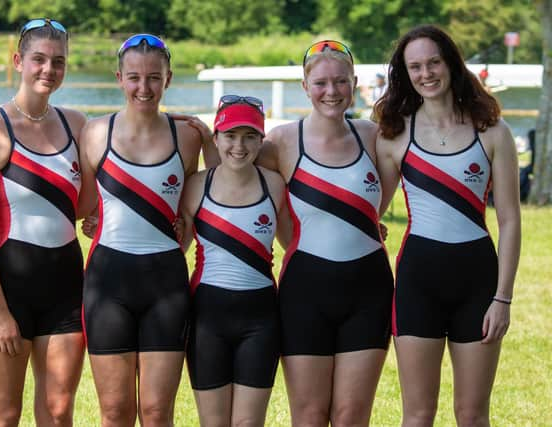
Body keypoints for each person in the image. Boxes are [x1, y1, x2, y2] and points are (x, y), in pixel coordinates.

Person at [374, 24, 521, 427]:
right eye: (415, 66)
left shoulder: (492, 132)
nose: (426, 74)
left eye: (433, 62)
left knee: (472, 415)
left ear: (451, 64)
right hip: (417, 281)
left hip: (478, 281)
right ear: (404, 74)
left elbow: (509, 220)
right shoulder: (394, 135)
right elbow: (371, 209)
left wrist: (503, 297)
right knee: (418, 415)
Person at [77, 33, 215, 426]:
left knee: (157, 413)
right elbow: (85, 204)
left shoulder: (185, 137)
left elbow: (214, 197)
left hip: (165, 284)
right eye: (134, 77)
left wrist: (207, 137)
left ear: (168, 79)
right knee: (115, 412)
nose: (144, 87)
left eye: (154, 77)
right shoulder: (94, 133)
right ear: (119, 78)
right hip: (108, 282)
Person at [256, 40, 394, 426]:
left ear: (354, 83)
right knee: (310, 415)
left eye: (340, 82)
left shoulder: (375, 136)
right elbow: (231, 169)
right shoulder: (281, 142)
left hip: (369, 289)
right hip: (305, 291)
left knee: (352, 416)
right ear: (305, 86)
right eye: (320, 83)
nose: (331, 92)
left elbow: (387, 191)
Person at [0, 18, 86, 426]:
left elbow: (86, 201)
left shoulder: (78, 125)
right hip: (7, 292)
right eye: (38, 59)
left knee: (57, 413)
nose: (48, 69)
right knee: (4, 416)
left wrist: (179, 126)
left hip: (67, 291)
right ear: (18, 60)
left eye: (59, 61)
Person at [180, 95, 286, 427]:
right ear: (216, 138)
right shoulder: (196, 187)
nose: (239, 146)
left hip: (261, 319)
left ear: (261, 140)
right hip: (207, 319)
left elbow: (299, 239)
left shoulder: (275, 185)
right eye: (230, 136)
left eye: (250, 136)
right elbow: (173, 244)